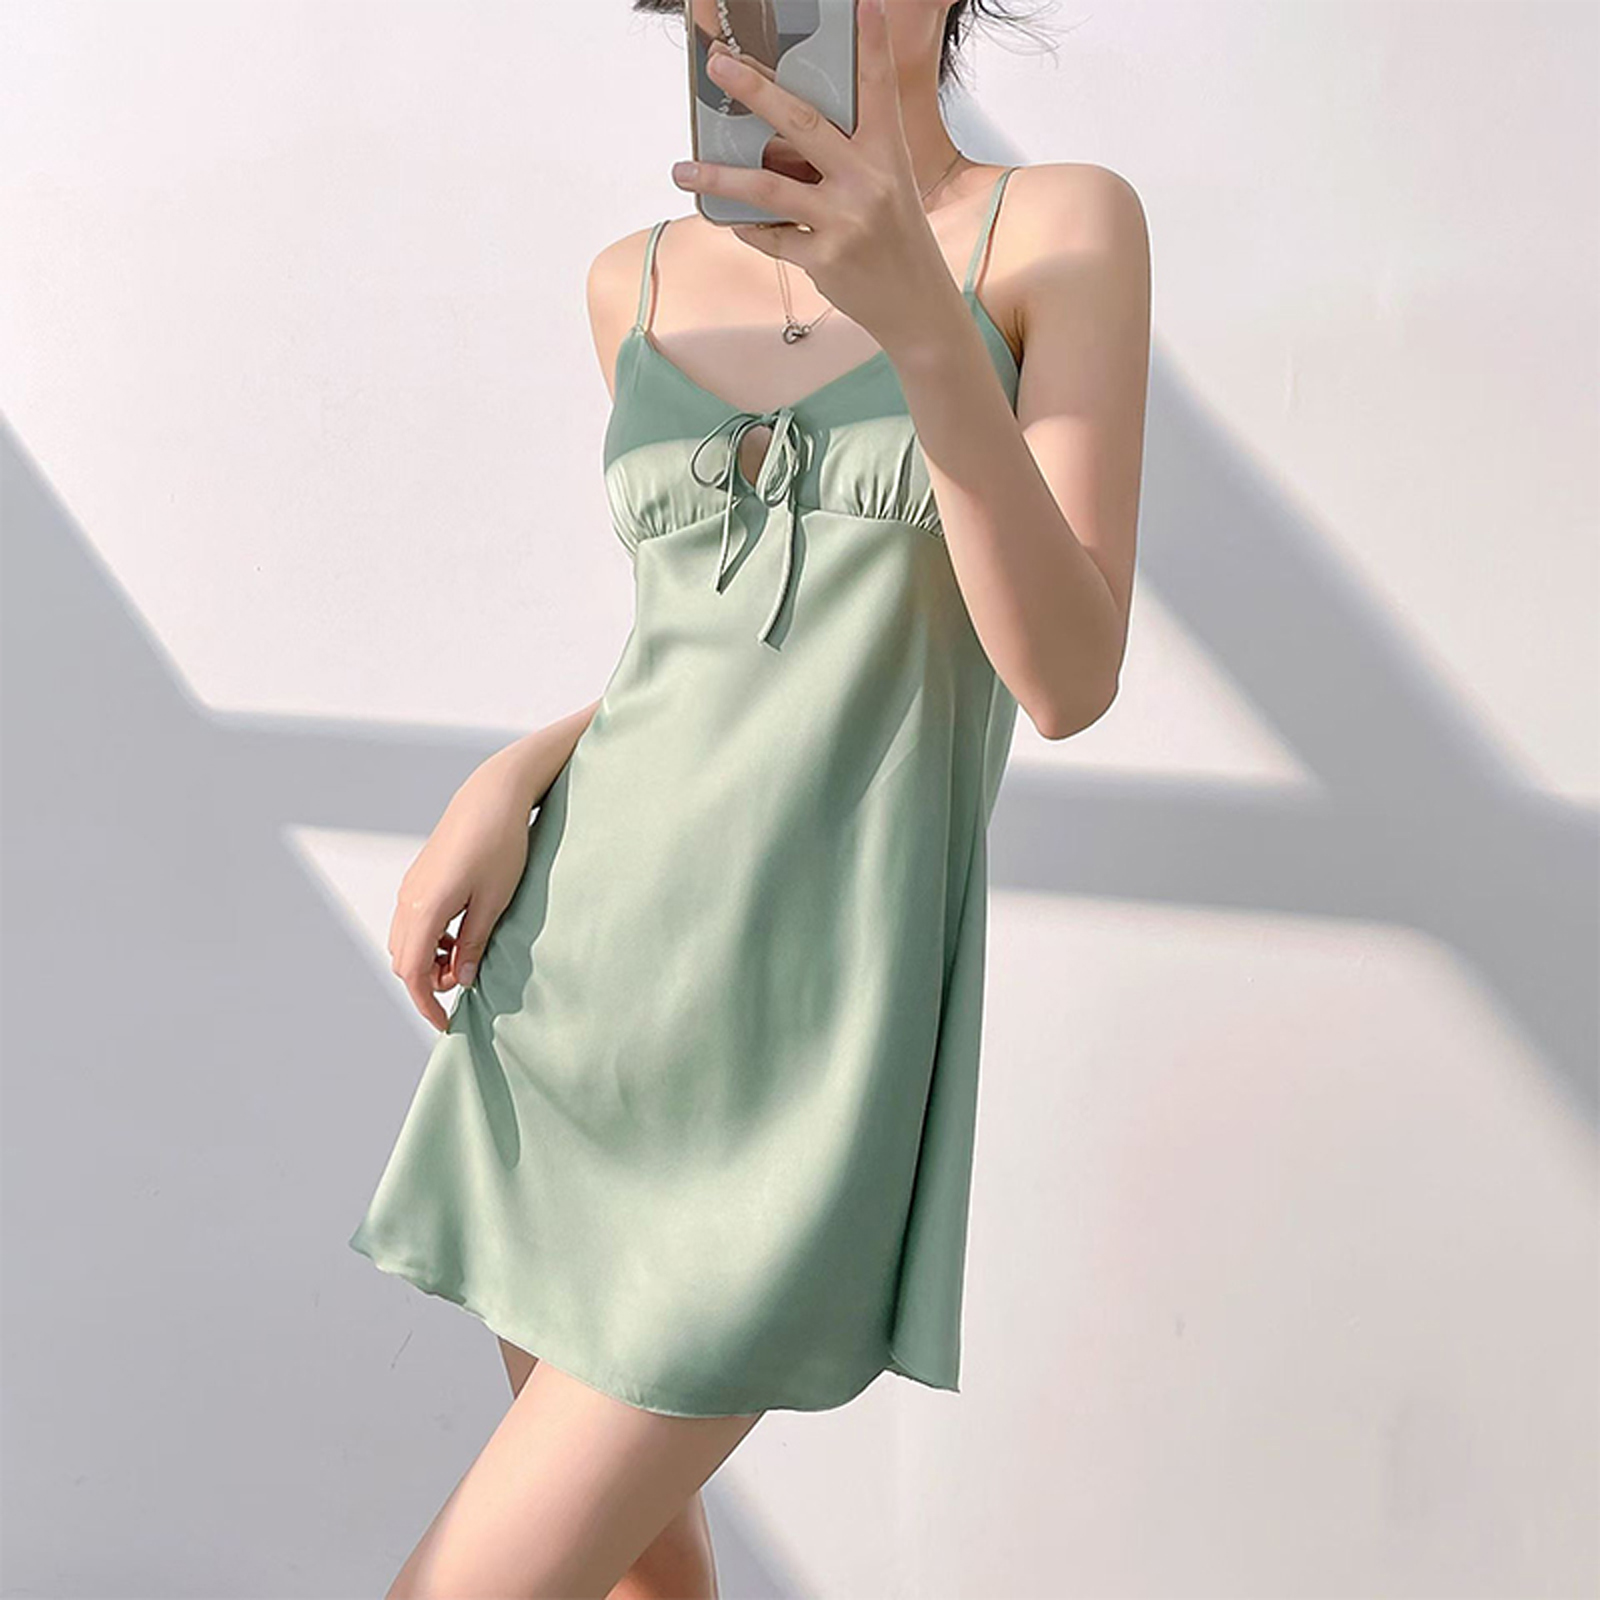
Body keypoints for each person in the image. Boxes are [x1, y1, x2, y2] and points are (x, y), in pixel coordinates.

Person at [349, 1, 1150, 1594]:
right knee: (646, 1584)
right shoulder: (632, 283)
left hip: (797, 1063)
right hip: (570, 1003)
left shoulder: (1062, 232)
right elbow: (716, 659)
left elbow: (1065, 674)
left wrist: (924, 326)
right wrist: (520, 770)